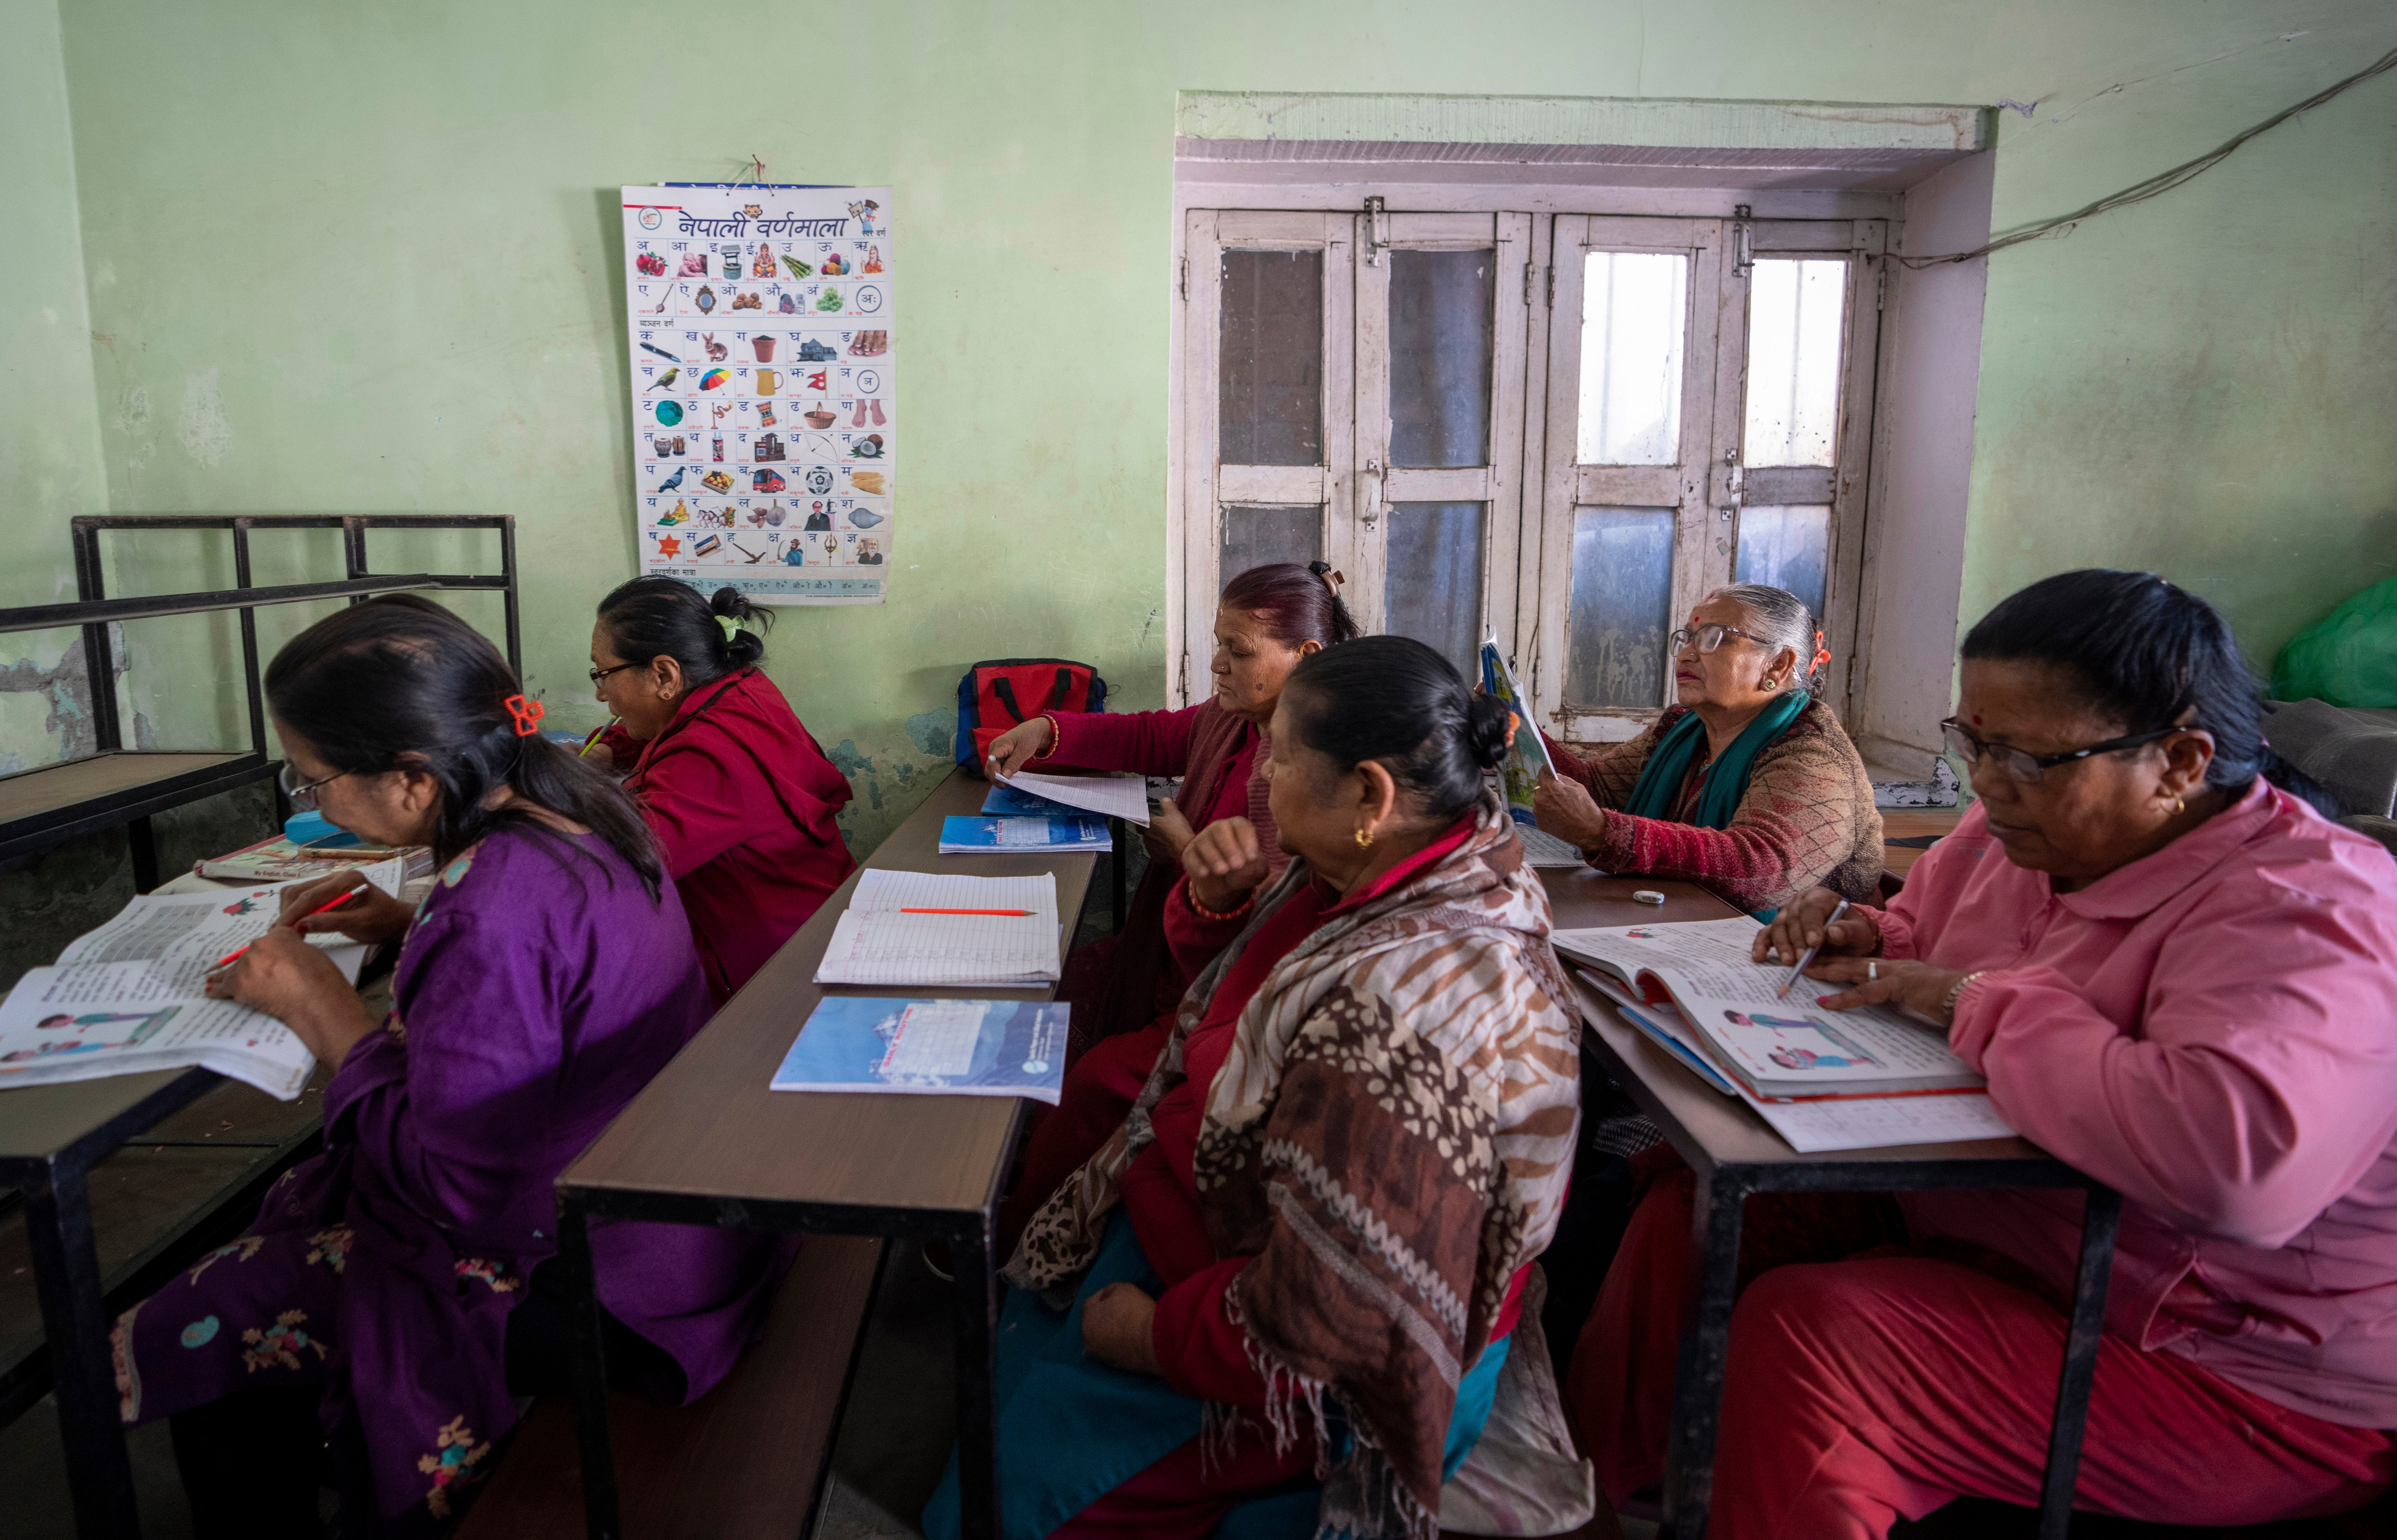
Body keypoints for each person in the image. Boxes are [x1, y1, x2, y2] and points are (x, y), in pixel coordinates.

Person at [1568, 569, 2397, 1538]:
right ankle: (1593, 1503)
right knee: (1687, 1214)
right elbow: (1931, 929)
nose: (1986, 787)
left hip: (2222, 1366)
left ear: (2177, 762)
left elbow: (2237, 1168)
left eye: (2027, 760)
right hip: (1996, 1233)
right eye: (1973, 744)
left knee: (1821, 1336)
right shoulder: (2020, 833)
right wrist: (1869, 934)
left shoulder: (2308, 912)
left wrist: (1972, 1001)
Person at [109, 599, 794, 1538]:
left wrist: (324, 1011)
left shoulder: (488, 911)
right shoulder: (581, 810)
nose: (317, 806)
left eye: (315, 783)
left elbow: (453, 1187)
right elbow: (544, 964)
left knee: (194, 1317)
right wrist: (411, 924)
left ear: (412, 780)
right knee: (275, 1231)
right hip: (677, 1226)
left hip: (609, 1286)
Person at [927, 636, 1591, 1540]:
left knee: (998, 1497)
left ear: (1369, 794)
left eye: (1279, 758)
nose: (1260, 781)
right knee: (1017, 1375)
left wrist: (1149, 1336)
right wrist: (1219, 902)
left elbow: (1330, 1311)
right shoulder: (1377, 873)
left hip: (1300, 1352)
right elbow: (1230, 1013)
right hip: (1218, 1222)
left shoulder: (1406, 1012)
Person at [982, 561, 1357, 1240]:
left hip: (1221, 994)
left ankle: (1017, 1230)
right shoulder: (1234, 718)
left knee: (1095, 1081)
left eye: (1238, 651)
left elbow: (1275, 935)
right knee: (1058, 996)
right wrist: (1049, 730)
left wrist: (1187, 855)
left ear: (1306, 657)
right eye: (1218, 642)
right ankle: (1006, 1170)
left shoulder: (1298, 771)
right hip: (1171, 953)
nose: (1217, 664)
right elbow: (1156, 735)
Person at [1527, 581, 1884, 917]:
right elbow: (1597, 787)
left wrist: (1604, 833)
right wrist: (1514, 726)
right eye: (1687, 638)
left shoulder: (1813, 753)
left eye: (1714, 638)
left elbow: (1759, 869)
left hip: (1796, 965)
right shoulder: (1683, 729)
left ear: (1778, 663)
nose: (1686, 654)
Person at [583, 578, 854, 1001]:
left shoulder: (709, 758)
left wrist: (546, 795)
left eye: (603, 673)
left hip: (779, 978)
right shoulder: (738, 688)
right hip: (821, 923)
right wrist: (605, 752)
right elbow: (663, 728)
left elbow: (621, 865)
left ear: (664, 674)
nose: (601, 693)